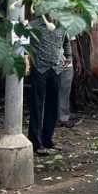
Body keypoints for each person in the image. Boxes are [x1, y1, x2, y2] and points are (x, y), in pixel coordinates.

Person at [28, 14, 71, 155]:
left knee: (53, 105)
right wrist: (27, 61)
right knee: (37, 105)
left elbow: (66, 42)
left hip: (56, 68)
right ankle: (36, 142)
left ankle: (47, 139)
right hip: (39, 68)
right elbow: (22, 44)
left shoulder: (62, 25)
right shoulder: (33, 25)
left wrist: (68, 58)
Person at [57, 39, 76, 128]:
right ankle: (53, 118)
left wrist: (71, 58)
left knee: (65, 90)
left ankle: (63, 118)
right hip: (50, 63)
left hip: (66, 63)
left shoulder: (68, 26)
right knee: (52, 91)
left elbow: (70, 43)